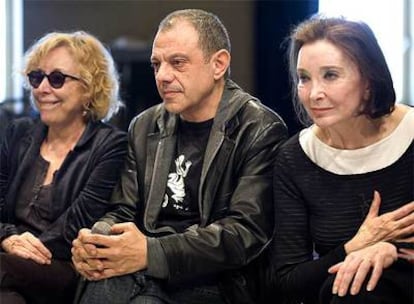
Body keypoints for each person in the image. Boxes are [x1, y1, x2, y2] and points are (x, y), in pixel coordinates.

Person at [71, 8, 288, 304]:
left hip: (217, 279)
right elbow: (122, 210)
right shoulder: (145, 124)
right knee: (100, 282)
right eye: (156, 64)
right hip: (144, 265)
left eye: (177, 63)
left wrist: (151, 253)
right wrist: (98, 239)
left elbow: (243, 234)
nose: (162, 76)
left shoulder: (260, 128)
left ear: (219, 64)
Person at [270, 15, 414, 304]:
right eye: (304, 79)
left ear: (369, 81)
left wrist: (389, 252)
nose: (314, 94)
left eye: (330, 75)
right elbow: (288, 282)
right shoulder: (294, 159)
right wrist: (354, 248)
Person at [0, 31, 128, 304]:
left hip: (61, 266)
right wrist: (9, 238)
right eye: (36, 77)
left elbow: (76, 226)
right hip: (9, 263)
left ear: (89, 89)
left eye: (57, 79)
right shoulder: (17, 133)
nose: (42, 88)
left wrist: (21, 251)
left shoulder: (110, 145)